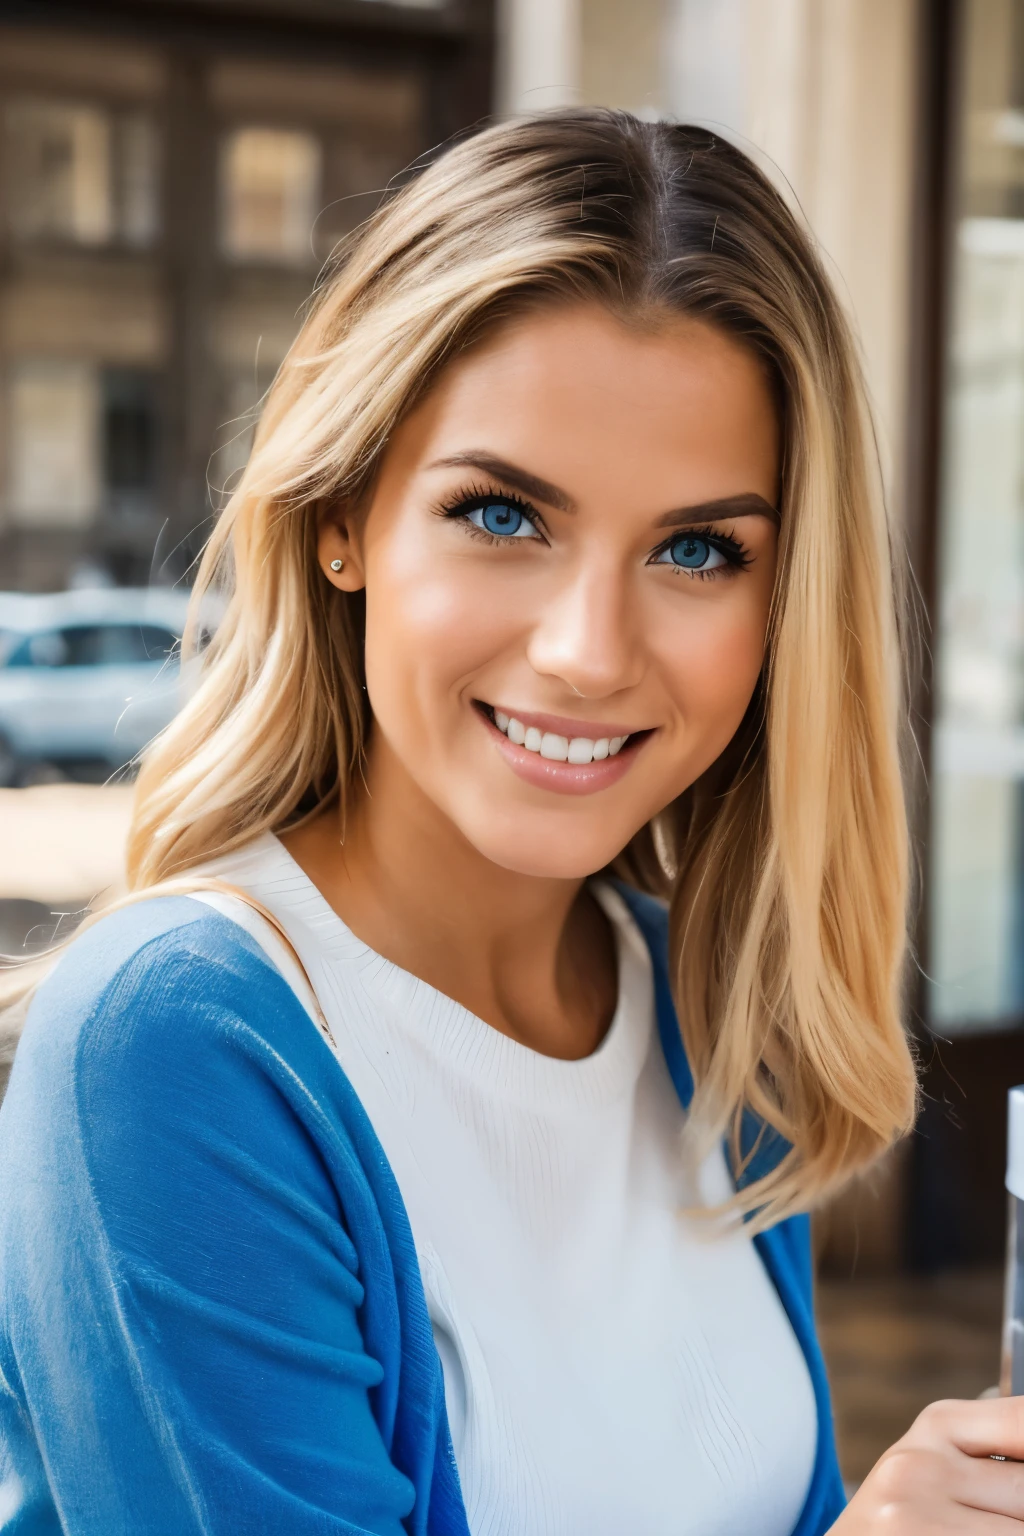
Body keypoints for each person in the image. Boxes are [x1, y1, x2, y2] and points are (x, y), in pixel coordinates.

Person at [0, 109, 1019, 1536]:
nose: (590, 651)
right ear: (344, 515)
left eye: (697, 550)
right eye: (501, 516)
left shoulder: (699, 1005)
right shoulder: (174, 1050)